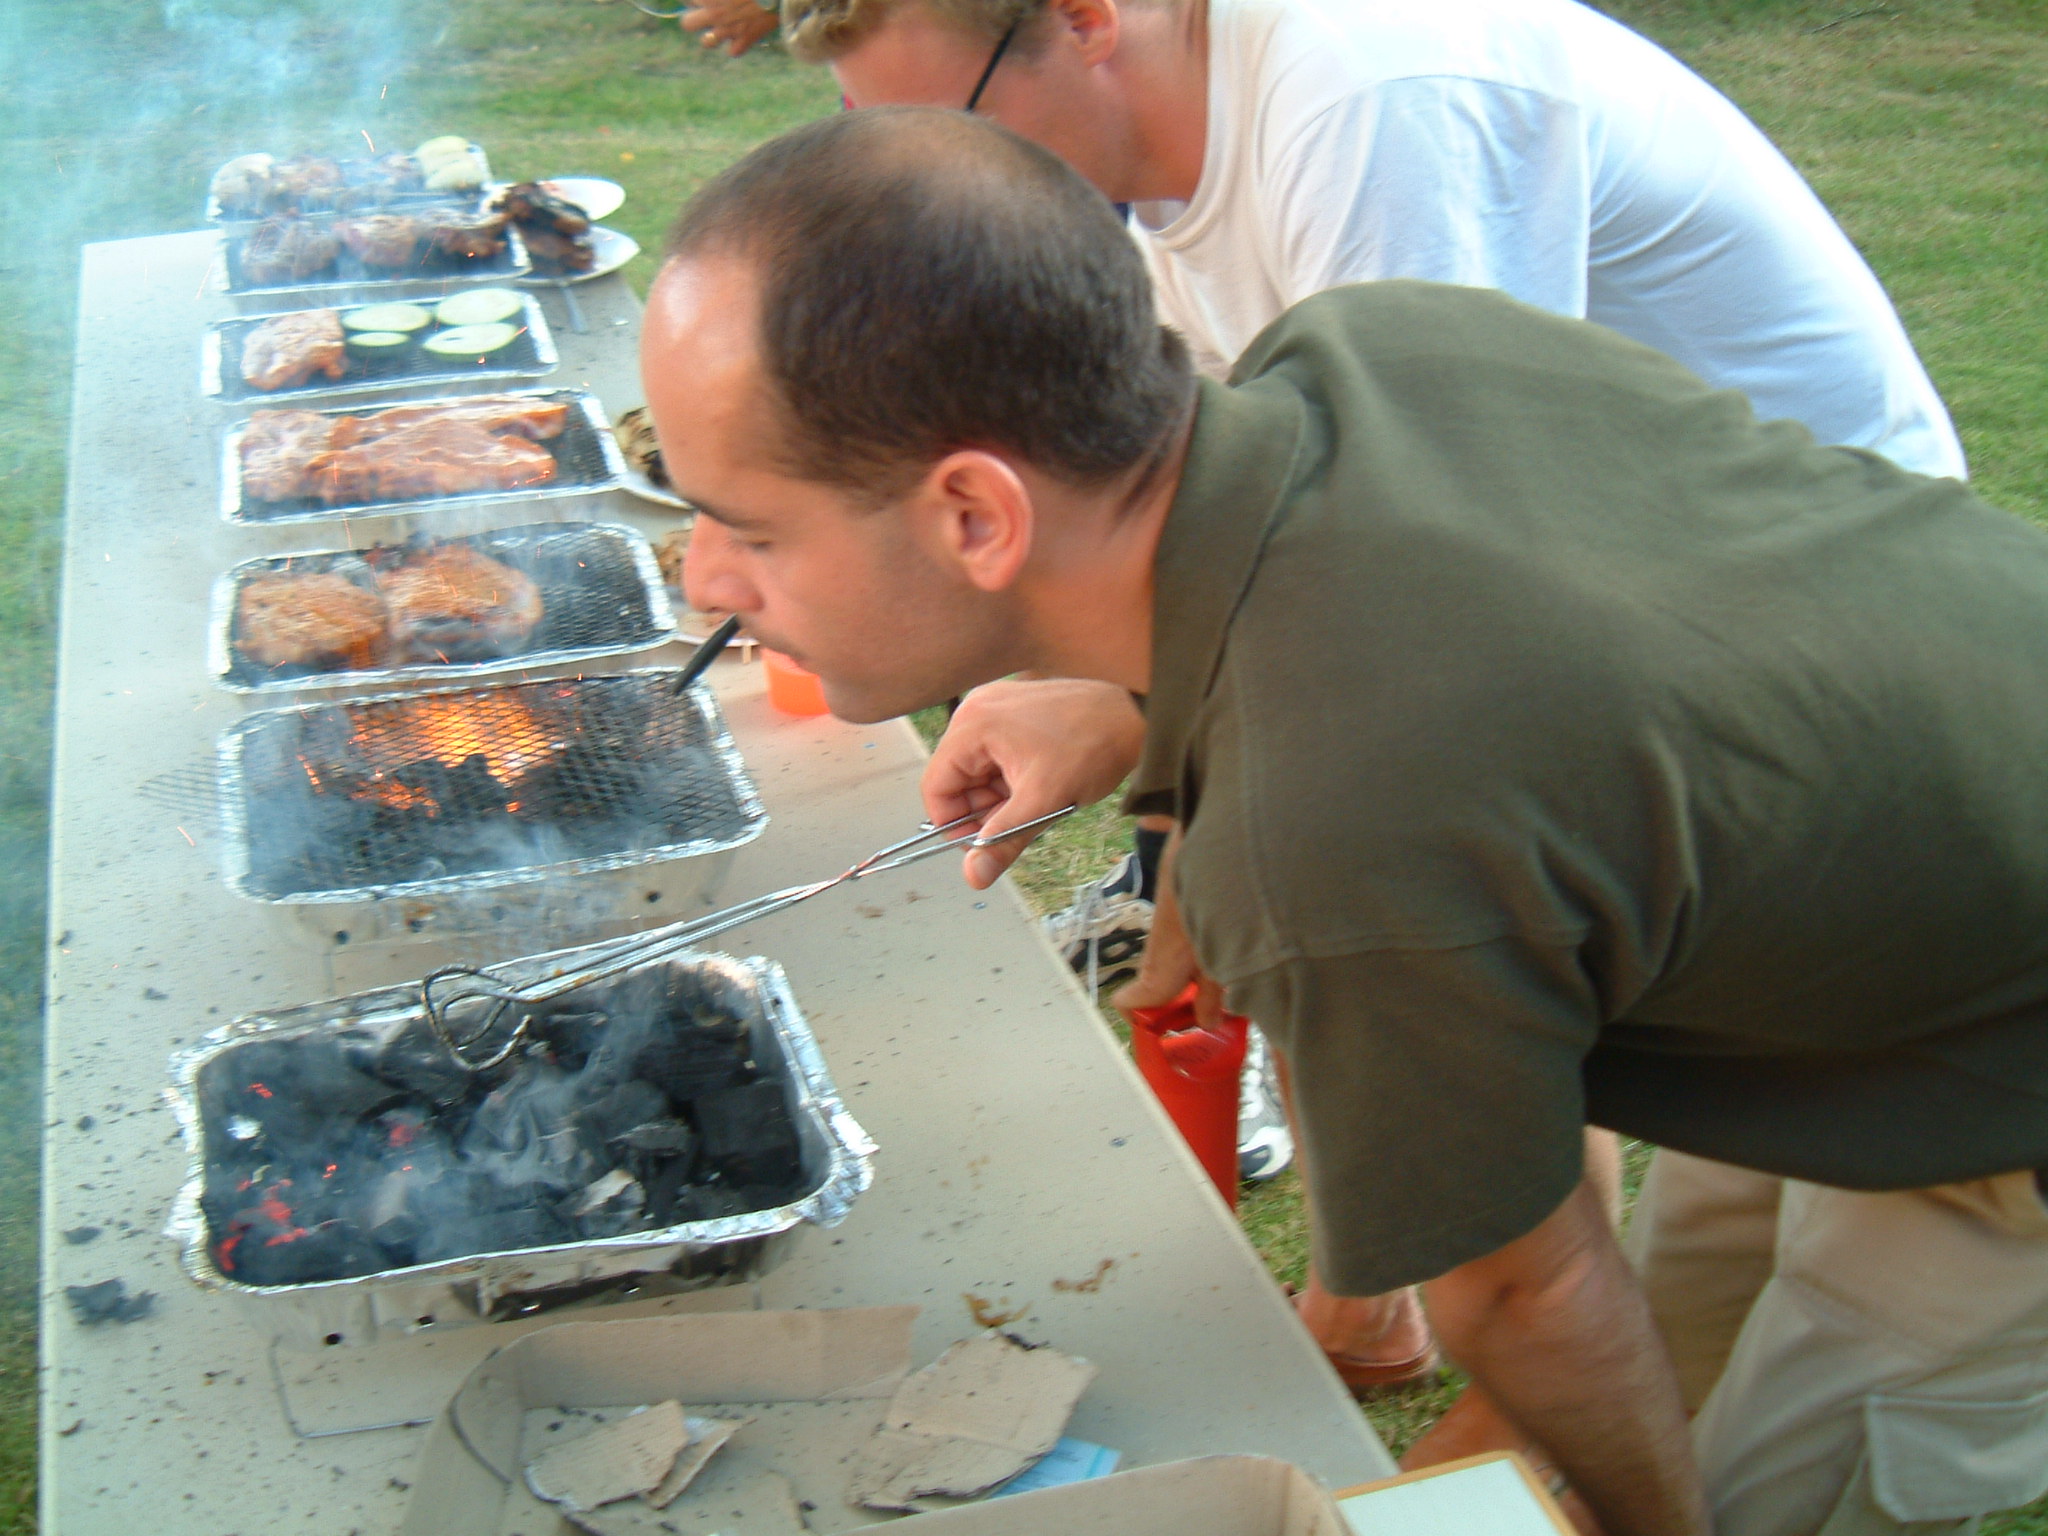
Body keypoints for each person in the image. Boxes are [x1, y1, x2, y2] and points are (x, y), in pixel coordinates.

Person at [640, 108, 2048, 1536]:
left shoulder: (1342, 848)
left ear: (976, 517)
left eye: (748, 526)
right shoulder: (1378, 344)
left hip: (2005, 1023)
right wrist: (1134, 708)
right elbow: (1462, 614)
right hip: (1885, 882)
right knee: (1674, 1359)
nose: (703, 580)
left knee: (1760, 1489)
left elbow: (1527, 1291)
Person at [780, 0, 1970, 1228]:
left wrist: (1137, 714)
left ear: (1083, 17)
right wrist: (1108, 698)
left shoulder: (1369, 97)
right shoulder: (1140, 161)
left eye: (957, 121)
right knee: (1716, 1256)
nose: (942, 179)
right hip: (1642, 638)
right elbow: (1233, 515)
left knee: (1854, 1266)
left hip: (1832, 677)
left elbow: (1428, 587)